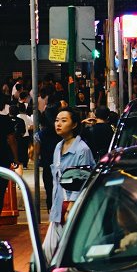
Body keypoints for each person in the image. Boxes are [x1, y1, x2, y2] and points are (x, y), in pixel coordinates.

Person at [45, 108, 95, 259]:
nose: (58, 124)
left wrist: (71, 208)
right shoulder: (58, 147)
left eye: (63, 120)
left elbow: (82, 181)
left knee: (70, 253)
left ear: (74, 125)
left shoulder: (82, 150)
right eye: (57, 120)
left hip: (72, 208)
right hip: (58, 208)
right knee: (49, 251)